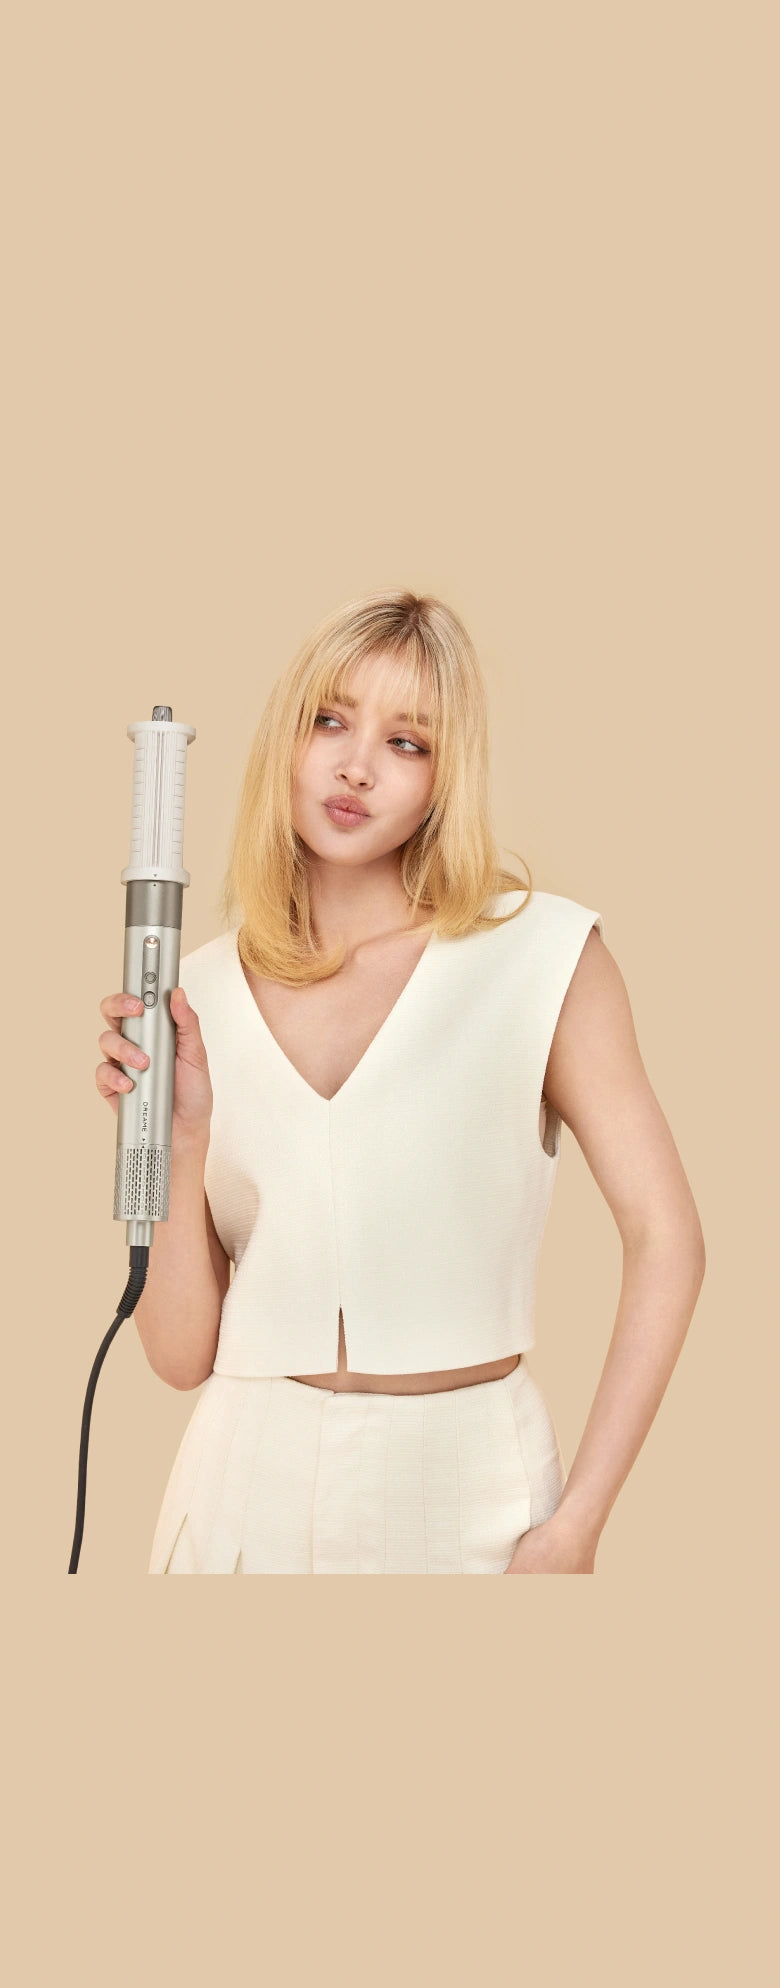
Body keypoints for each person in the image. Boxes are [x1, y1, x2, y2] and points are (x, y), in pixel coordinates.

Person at [96, 589, 706, 1573]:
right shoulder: (192, 993)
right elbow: (177, 1356)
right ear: (284, 737)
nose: (356, 766)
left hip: (470, 1493)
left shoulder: (543, 955)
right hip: (237, 1494)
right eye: (328, 721)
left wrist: (578, 1524)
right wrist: (182, 1139)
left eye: (407, 741)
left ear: (443, 777)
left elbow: (666, 1237)